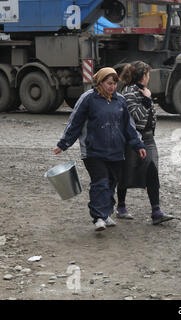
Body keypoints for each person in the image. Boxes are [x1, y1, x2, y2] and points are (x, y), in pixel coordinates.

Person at [53, 68, 146, 232]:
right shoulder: (88, 99)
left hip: (116, 151)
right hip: (93, 151)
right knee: (100, 181)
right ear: (100, 82)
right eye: (109, 83)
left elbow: (128, 126)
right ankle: (98, 217)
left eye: (115, 83)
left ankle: (106, 213)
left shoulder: (120, 101)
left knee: (111, 183)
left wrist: (138, 145)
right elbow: (75, 122)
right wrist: (63, 144)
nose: (112, 87)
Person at [116, 61, 174, 225]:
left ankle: (156, 211)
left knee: (152, 170)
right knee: (126, 172)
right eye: (147, 74)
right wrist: (148, 101)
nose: (149, 77)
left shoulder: (143, 91)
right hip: (133, 139)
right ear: (142, 76)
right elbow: (136, 117)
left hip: (148, 138)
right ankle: (121, 206)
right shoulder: (128, 92)